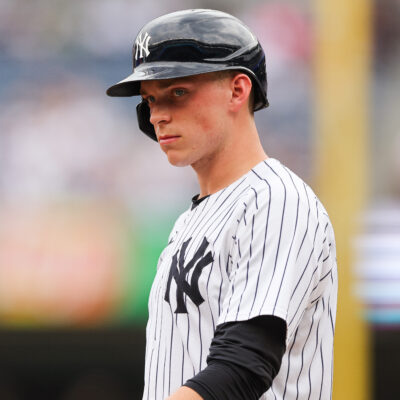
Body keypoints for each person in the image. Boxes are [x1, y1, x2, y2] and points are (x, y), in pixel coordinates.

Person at [107, 9, 337, 400]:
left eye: (177, 92)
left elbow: (244, 366)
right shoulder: (190, 221)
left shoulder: (276, 199)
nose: (159, 115)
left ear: (237, 90)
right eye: (150, 100)